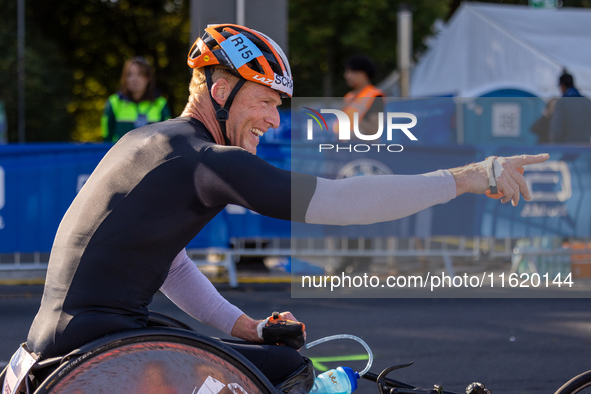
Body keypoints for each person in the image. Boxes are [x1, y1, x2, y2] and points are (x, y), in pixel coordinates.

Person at [22, 24, 547, 394]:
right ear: (222, 90)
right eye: (267, 101)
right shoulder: (207, 158)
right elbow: (342, 202)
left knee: (265, 355)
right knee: (286, 367)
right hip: (100, 337)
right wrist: (468, 178)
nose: (275, 120)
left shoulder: (152, 142)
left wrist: (245, 327)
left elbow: (170, 264)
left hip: (69, 335)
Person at [101, 56, 171, 143]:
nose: (134, 79)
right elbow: (107, 137)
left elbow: (168, 136)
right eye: (130, 75)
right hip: (121, 155)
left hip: (152, 155)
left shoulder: (161, 103)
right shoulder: (114, 102)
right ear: (125, 78)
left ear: (148, 78)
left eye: (140, 74)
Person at [333, 55, 385, 137]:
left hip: (362, 147)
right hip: (344, 146)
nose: (347, 76)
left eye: (352, 72)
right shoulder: (349, 96)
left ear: (364, 74)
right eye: (347, 72)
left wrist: (354, 117)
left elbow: (375, 130)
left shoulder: (374, 96)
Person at [549, 70, 591, 144]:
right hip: (586, 149)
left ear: (562, 86)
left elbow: (557, 130)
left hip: (568, 149)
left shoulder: (561, 102)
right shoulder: (587, 102)